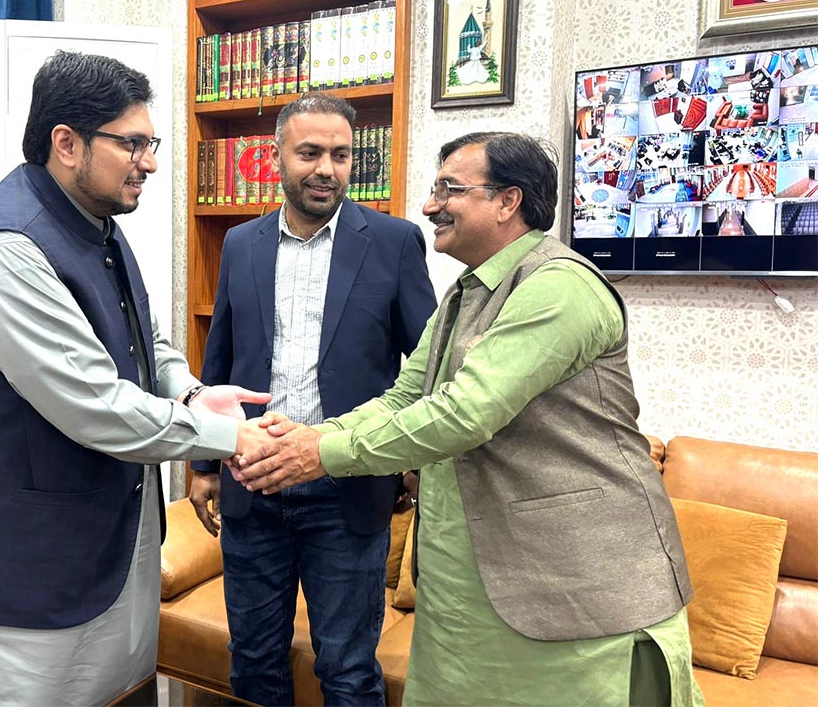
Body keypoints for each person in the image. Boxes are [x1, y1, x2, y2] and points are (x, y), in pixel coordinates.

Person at [234, 132, 704, 706]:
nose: (430, 206)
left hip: (574, 587)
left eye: (448, 189)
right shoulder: (469, 292)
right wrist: (312, 436)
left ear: (508, 201)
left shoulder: (559, 286)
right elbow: (406, 396)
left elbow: (463, 415)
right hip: (478, 590)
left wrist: (317, 455)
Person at [0, 51, 276, 706]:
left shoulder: (99, 230)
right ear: (66, 143)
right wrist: (232, 439)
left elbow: (145, 343)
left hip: (82, 553)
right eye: (133, 143)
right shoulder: (5, 250)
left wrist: (192, 392)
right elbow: (92, 404)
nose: (149, 160)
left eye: (151, 142)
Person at [189, 92, 436, 705]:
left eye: (341, 155)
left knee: (348, 671)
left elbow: (429, 367)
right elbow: (218, 360)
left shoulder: (393, 242)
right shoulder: (242, 244)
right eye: (310, 153)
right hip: (252, 479)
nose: (327, 168)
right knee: (252, 663)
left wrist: (408, 459)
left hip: (345, 489)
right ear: (276, 158)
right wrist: (201, 464)